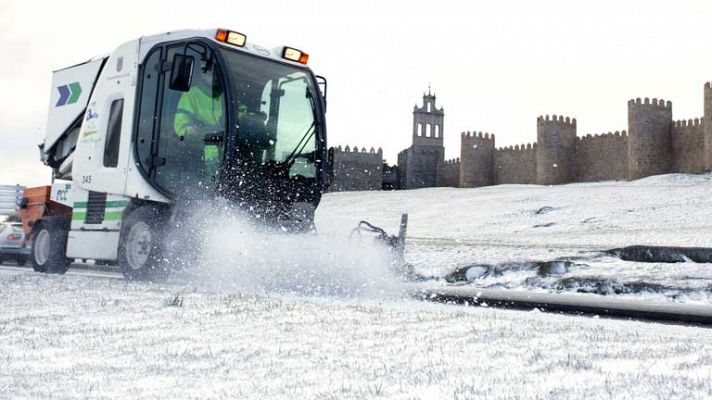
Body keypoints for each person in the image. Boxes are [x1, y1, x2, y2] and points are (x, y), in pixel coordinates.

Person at [173, 66, 225, 177]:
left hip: (224, 153)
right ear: (203, 74)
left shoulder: (226, 96)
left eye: (217, 74)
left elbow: (240, 114)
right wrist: (192, 129)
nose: (214, 77)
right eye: (211, 73)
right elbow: (181, 125)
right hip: (199, 153)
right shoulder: (191, 95)